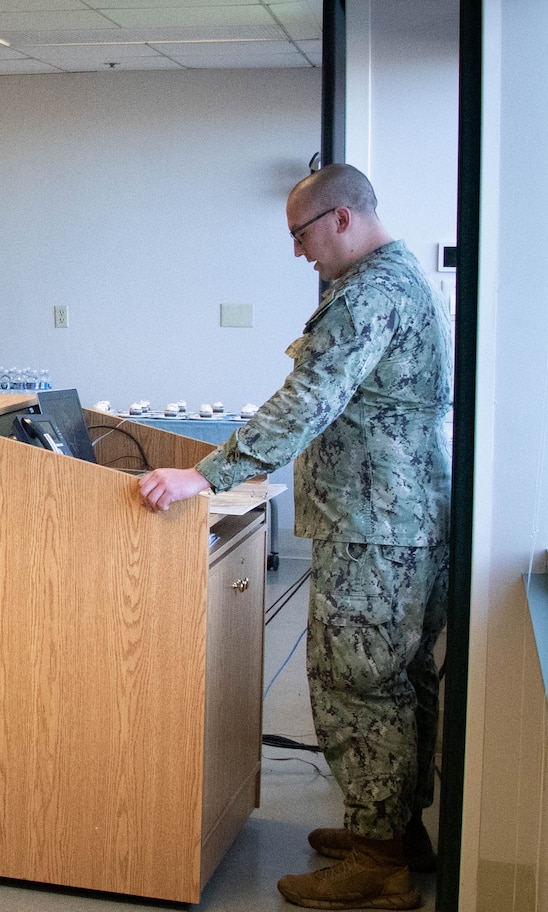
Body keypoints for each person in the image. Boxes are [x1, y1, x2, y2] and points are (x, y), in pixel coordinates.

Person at [139, 164, 450, 911]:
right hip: (398, 522)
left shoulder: (371, 293)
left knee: (359, 685)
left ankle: (379, 863)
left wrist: (209, 476)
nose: (298, 251)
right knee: (400, 684)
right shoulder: (402, 278)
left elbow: (309, 399)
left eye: (300, 234)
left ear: (341, 218)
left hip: (375, 528)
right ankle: (394, 831)